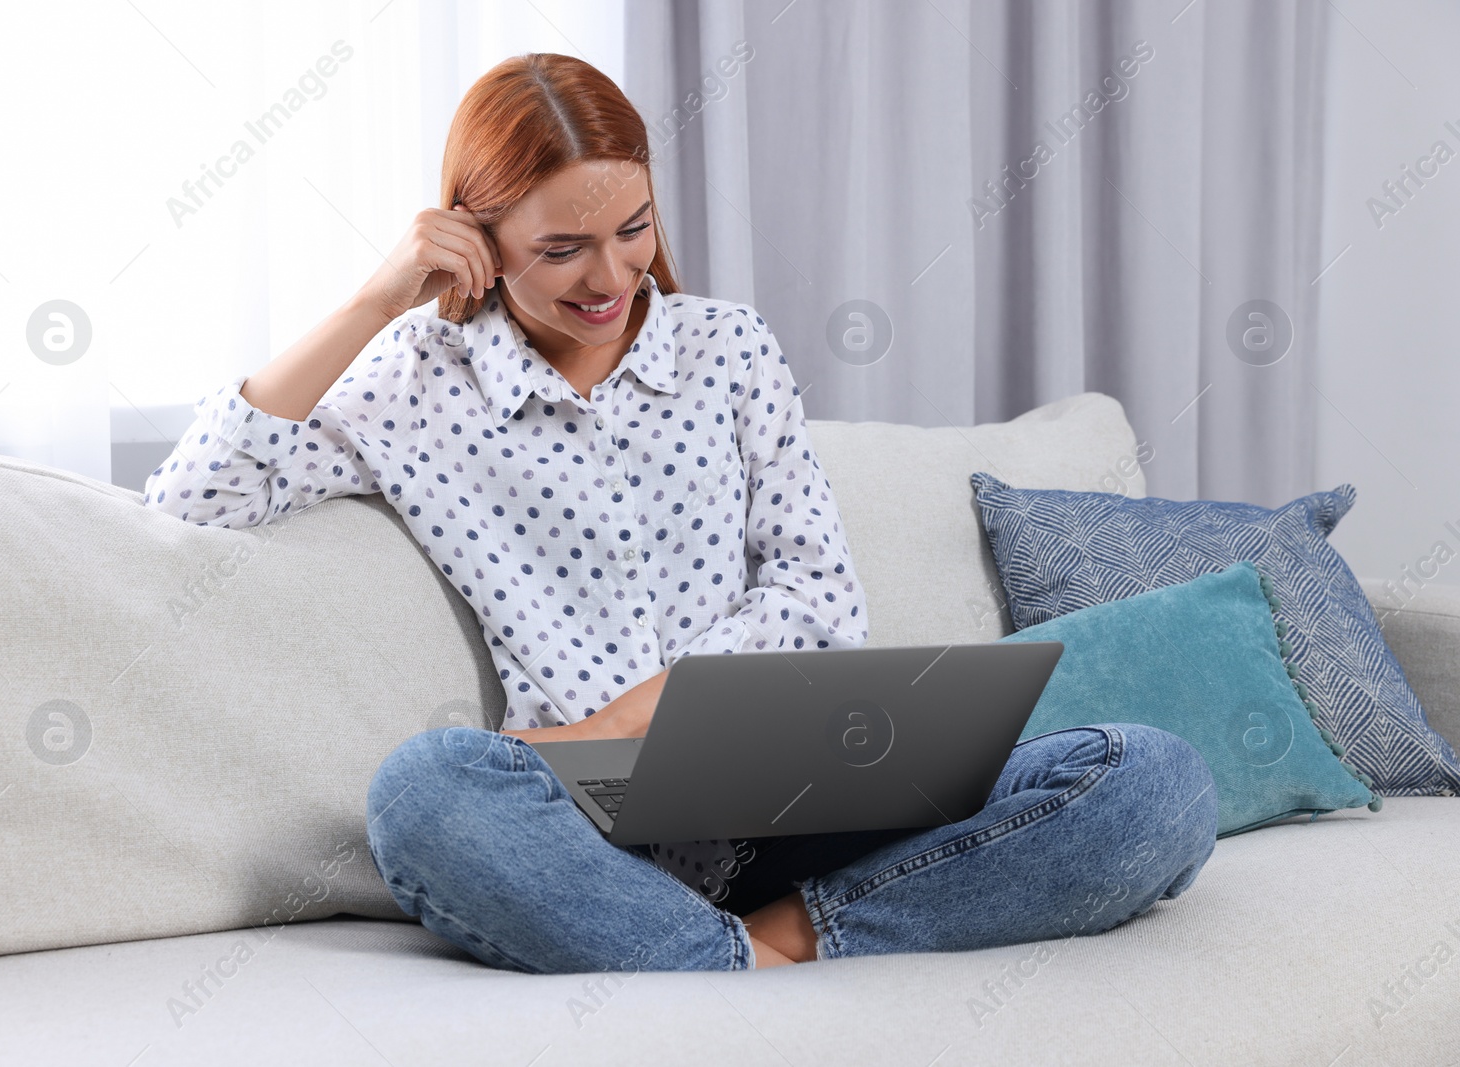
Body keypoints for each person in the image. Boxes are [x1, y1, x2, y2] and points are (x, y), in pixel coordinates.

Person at [145, 53, 1218, 974]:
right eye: (561, 248)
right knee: (424, 793)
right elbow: (195, 497)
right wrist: (374, 299)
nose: (610, 274)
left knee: (1152, 778)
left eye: (631, 227)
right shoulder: (419, 382)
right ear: (473, 234)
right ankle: (722, 955)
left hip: (800, 798)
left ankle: (781, 938)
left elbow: (817, 596)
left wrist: (636, 715)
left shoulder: (729, 348)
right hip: (585, 832)